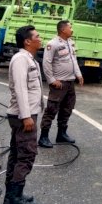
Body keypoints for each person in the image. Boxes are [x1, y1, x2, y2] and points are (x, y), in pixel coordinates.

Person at [4, 25, 43, 204]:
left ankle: (12, 196)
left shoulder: (28, 59)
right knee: (26, 155)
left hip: (24, 115)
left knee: (17, 154)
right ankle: (14, 199)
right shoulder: (21, 59)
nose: (40, 38)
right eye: (37, 36)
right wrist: (26, 116)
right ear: (27, 41)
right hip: (23, 116)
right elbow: (20, 89)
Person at [38, 20, 84, 148]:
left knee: (67, 108)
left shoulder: (70, 43)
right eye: (70, 27)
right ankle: (44, 136)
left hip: (70, 82)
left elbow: (73, 60)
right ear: (63, 29)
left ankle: (61, 134)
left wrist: (78, 75)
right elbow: (46, 63)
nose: (72, 30)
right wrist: (52, 80)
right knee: (51, 109)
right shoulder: (53, 44)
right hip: (59, 83)